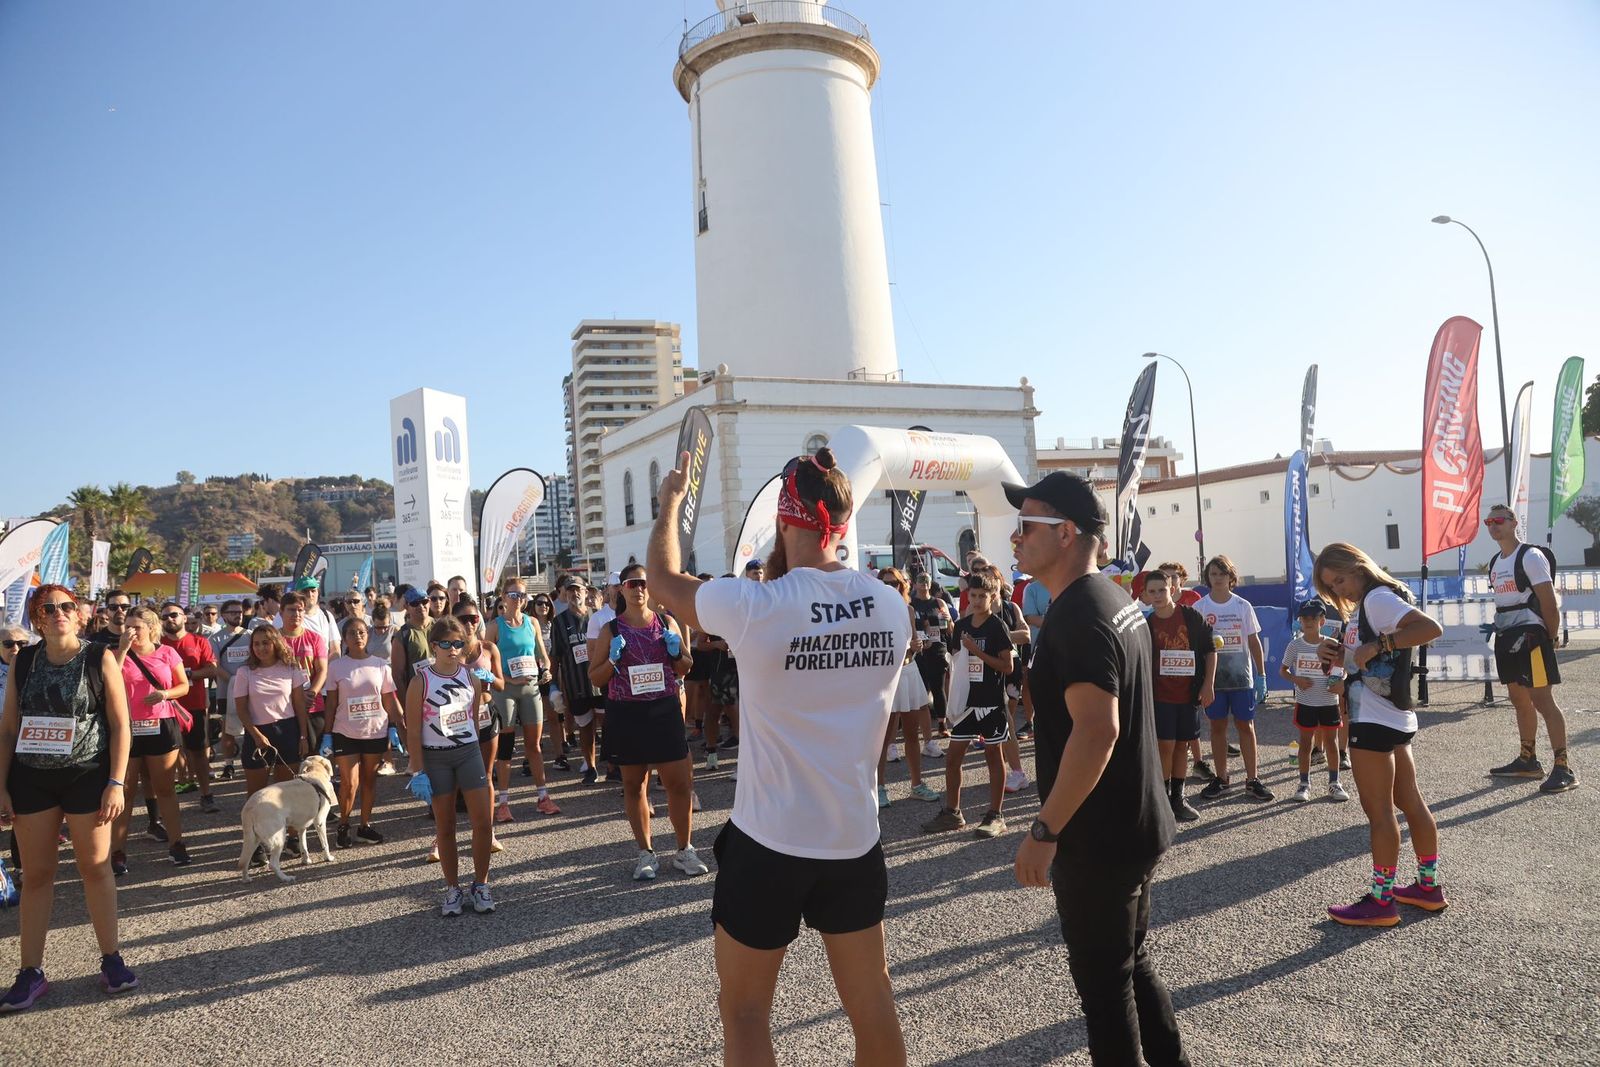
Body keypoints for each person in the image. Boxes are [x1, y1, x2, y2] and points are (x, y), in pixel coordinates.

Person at [648, 446, 913, 1067]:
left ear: (786, 522)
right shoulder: (891, 606)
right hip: (853, 836)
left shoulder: (756, 606)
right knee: (872, 1002)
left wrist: (670, 506)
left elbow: (660, 582)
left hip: (769, 840)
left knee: (743, 1015)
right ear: (842, 525)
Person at [1008, 472, 1188, 1066]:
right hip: (1133, 822)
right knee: (1133, 966)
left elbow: (1098, 730)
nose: (1015, 537)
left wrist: (1044, 830)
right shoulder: (1114, 600)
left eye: (1026, 525)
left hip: (1099, 836)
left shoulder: (1081, 614)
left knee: (1106, 992)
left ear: (1065, 533)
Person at [0, 585, 135, 1011]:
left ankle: (111, 959)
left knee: (94, 869)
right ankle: (31, 971)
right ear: (37, 618)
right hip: (31, 778)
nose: (59, 613)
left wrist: (116, 781)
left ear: (79, 614)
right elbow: (8, 729)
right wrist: (1, 785)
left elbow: (120, 723)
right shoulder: (24, 661)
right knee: (37, 876)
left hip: (86, 776)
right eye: (49, 608)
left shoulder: (100, 657)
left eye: (67, 607)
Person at [1314, 542, 1446, 926]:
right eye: (1332, 588)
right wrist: (1343, 653)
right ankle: (1427, 887)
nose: (1341, 591)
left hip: (1373, 718)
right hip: (1392, 715)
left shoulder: (1376, 598)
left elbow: (1428, 628)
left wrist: (1377, 643)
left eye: (1341, 580)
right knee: (1410, 801)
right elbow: (1372, 658)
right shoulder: (1379, 598)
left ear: (1359, 565)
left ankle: (1381, 900)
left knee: (1380, 812)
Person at [586, 563, 704, 881]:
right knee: (634, 785)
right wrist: (612, 658)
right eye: (632, 583)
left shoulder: (666, 623)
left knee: (678, 783)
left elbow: (686, 668)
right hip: (627, 712)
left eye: (643, 583)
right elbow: (595, 677)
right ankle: (645, 853)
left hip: (663, 709)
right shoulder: (611, 630)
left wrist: (676, 652)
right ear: (621, 589)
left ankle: (684, 849)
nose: (638, 588)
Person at [404, 616, 496, 917]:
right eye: (446, 644)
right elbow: (414, 730)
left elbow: (472, 719)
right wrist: (418, 770)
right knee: (446, 827)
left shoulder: (471, 677)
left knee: (483, 822)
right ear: (434, 646)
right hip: (436, 757)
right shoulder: (421, 681)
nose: (453, 649)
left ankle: (481, 884)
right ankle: (453, 888)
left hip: (468, 753)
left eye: (458, 643)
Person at [1483, 504, 1578, 793]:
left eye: (1499, 520)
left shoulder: (1531, 556)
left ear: (1514, 523)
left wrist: (1549, 637)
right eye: (1488, 521)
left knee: (1542, 700)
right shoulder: (1495, 562)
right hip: (1507, 635)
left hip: (1531, 636)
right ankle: (1528, 760)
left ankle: (1563, 767)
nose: (1493, 525)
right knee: (1518, 698)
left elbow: (1548, 602)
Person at [921, 570, 1014, 838]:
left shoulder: (997, 626)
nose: (976, 600)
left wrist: (977, 652)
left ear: (992, 596)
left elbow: (1007, 667)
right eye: (972, 595)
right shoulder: (960, 626)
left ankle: (995, 815)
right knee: (952, 759)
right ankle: (953, 812)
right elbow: (955, 667)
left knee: (993, 758)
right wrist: (950, 704)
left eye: (982, 596)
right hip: (965, 704)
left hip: (991, 703)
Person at [110, 606, 193, 869]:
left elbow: (184, 686)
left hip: (161, 723)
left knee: (165, 788)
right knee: (124, 791)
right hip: (127, 727)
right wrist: (123, 649)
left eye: (137, 627)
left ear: (151, 628)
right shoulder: (115, 653)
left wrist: (165, 694)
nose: (132, 632)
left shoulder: (167, 652)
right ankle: (118, 852)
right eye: (128, 627)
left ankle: (176, 844)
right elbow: (108, 681)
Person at [1195, 555, 1273, 802]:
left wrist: (1261, 676)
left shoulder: (1242, 606)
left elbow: (1254, 641)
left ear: (1231, 577)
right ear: (1208, 577)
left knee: (1246, 727)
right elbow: (1196, 647)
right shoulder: (1201, 607)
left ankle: (1252, 780)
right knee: (1217, 728)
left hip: (1242, 678)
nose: (1218, 579)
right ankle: (1222, 778)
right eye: (1213, 574)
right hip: (1213, 681)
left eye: (1222, 574)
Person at [1141, 570, 1215, 823]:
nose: (1158, 595)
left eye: (1162, 589)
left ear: (1172, 589)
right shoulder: (1147, 625)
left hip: (1188, 695)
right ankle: (1160, 801)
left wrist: (1208, 684)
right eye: (1152, 591)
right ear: (1146, 596)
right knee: (1165, 746)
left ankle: (1178, 798)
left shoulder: (1191, 616)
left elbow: (1210, 649)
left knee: (1182, 745)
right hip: (1160, 696)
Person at [325, 616, 402, 847]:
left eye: (361, 632)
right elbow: (330, 703)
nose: (357, 636)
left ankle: (364, 826)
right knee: (349, 782)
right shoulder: (336, 666)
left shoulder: (380, 665)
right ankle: (343, 826)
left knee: (369, 781)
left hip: (375, 732)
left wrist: (396, 727)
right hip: (345, 732)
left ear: (367, 635)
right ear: (344, 638)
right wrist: (327, 734)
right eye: (352, 633)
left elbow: (389, 699)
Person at [485, 577, 557, 818]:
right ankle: (503, 803)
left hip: (531, 689)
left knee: (534, 745)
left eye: (522, 595)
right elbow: (485, 665)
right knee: (506, 748)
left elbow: (543, 655)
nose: (518, 600)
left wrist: (545, 670)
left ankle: (543, 797)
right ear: (504, 597)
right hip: (505, 691)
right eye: (513, 595)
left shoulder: (532, 622)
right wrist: (507, 678)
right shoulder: (495, 626)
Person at [875, 568, 939, 805]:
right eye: (885, 583)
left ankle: (916, 784)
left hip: (909, 670)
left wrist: (916, 644)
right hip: (887, 674)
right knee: (884, 736)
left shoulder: (908, 610)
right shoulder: (873, 611)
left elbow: (914, 643)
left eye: (895, 584)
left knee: (912, 734)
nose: (890, 587)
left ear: (902, 586)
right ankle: (879, 787)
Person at [1280, 599, 1349, 804]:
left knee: (1331, 743)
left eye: (1314, 618)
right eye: (1305, 618)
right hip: (1305, 702)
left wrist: (1341, 680)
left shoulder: (1332, 644)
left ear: (1323, 620)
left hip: (1329, 701)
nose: (1309, 621)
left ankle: (1334, 782)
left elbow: (1342, 670)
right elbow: (1282, 671)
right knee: (1305, 744)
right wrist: (1297, 680)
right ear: (1300, 621)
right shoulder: (1295, 645)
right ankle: (1304, 784)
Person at [158, 601, 219, 815]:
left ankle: (206, 795)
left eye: (174, 615)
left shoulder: (199, 641)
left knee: (199, 753)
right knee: (167, 754)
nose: (169, 619)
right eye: (164, 616)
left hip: (194, 705)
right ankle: (168, 797)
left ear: (184, 617)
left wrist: (188, 675)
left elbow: (212, 669)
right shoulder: (158, 644)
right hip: (165, 707)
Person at [278, 592, 330, 748]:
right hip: (284, 706)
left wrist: (312, 693)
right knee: (290, 756)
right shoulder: (273, 639)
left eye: (300, 610)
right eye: (291, 610)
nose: (297, 614)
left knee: (315, 755)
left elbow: (322, 670)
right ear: (281, 612)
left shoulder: (315, 638)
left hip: (312, 704)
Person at [208, 600, 252, 781]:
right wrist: (235, 682)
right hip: (226, 691)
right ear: (223, 615)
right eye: (233, 612)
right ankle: (228, 764)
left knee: (253, 726)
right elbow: (215, 666)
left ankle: (253, 759)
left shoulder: (250, 635)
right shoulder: (215, 639)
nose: (238, 615)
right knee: (228, 729)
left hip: (251, 691)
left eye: (240, 612)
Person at [909, 571, 952, 746]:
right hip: (918, 651)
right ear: (915, 583)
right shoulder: (911, 603)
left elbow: (949, 629)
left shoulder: (939, 602)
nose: (924, 584)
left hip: (937, 649)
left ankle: (942, 723)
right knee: (920, 689)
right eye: (920, 580)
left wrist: (948, 619)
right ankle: (920, 724)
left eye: (926, 581)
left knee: (938, 687)